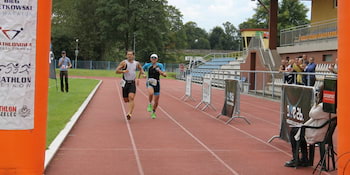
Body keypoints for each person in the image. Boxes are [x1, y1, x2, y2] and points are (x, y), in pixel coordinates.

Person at [285, 85, 336, 168]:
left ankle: (296, 159)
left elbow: (311, 114)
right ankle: (304, 158)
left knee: (294, 131)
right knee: (298, 130)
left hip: (318, 132)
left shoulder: (323, 107)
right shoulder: (334, 106)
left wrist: (316, 103)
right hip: (325, 132)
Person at [116, 51, 144, 120]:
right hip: (125, 83)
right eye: (128, 55)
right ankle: (131, 104)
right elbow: (116, 71)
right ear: (126, 56)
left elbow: (141, 69)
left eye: (131, 55)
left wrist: (142, 74)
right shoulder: (124, 63)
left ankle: (129, 113)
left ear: (133, 56)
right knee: (126, 100)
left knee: (131, 97)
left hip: (132, 83)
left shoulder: (136, 63)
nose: (129, 56)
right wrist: (123, 71)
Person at [142, 54, 167, 119]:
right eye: (152, 58)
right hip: (150, 82)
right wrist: (143, 74)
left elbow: (164, 74)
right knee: (150, 93)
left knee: (156, 102)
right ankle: (149, 104)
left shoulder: (160, 65)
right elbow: (141, 70)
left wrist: (159, 71)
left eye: (155, 58)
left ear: (157, 59)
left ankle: (153, 112)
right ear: (150, 59)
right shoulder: (147, 65)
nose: (153, 59)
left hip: (157, 83)